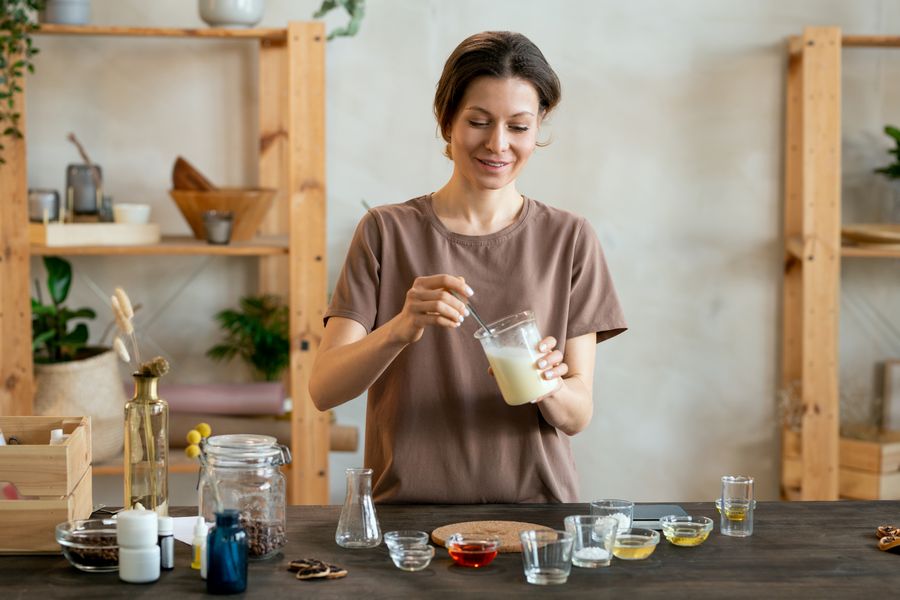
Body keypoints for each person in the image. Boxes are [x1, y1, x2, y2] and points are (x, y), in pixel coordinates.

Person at [309, 31, 626, 504]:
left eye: (518, 127)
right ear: (447, 121)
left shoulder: (570, 238)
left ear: (538, 127)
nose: (497, 144)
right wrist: (400, 328)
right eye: (479, 121)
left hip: (537, 519)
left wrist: (548, 387)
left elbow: (578, 415)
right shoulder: (385, 231)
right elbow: (324, 389)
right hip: (408, 521)